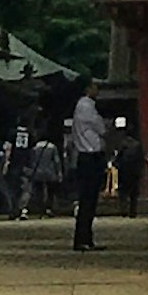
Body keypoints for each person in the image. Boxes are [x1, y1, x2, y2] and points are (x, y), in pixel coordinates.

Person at [64, 87, 108, 252]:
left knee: (88, 201)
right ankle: (83, 238)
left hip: (86, 156)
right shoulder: (86, 106)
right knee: (88, 200)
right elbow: (101, 128)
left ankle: (85, 238)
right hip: (90, 156)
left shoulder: (81, 107)